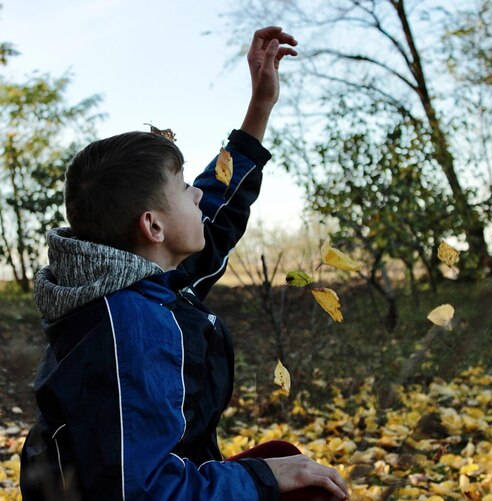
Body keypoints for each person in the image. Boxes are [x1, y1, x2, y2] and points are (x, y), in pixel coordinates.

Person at [20, 26, 349, 500]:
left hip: (148, 477)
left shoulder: (135, 280)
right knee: (300, 483)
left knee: (282, 454)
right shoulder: (128, 332)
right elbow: (143, 493)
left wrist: (260, 106)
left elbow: (214, 209)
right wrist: (263, 479)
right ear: (153, 227)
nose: (196, 191)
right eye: (181, 188)